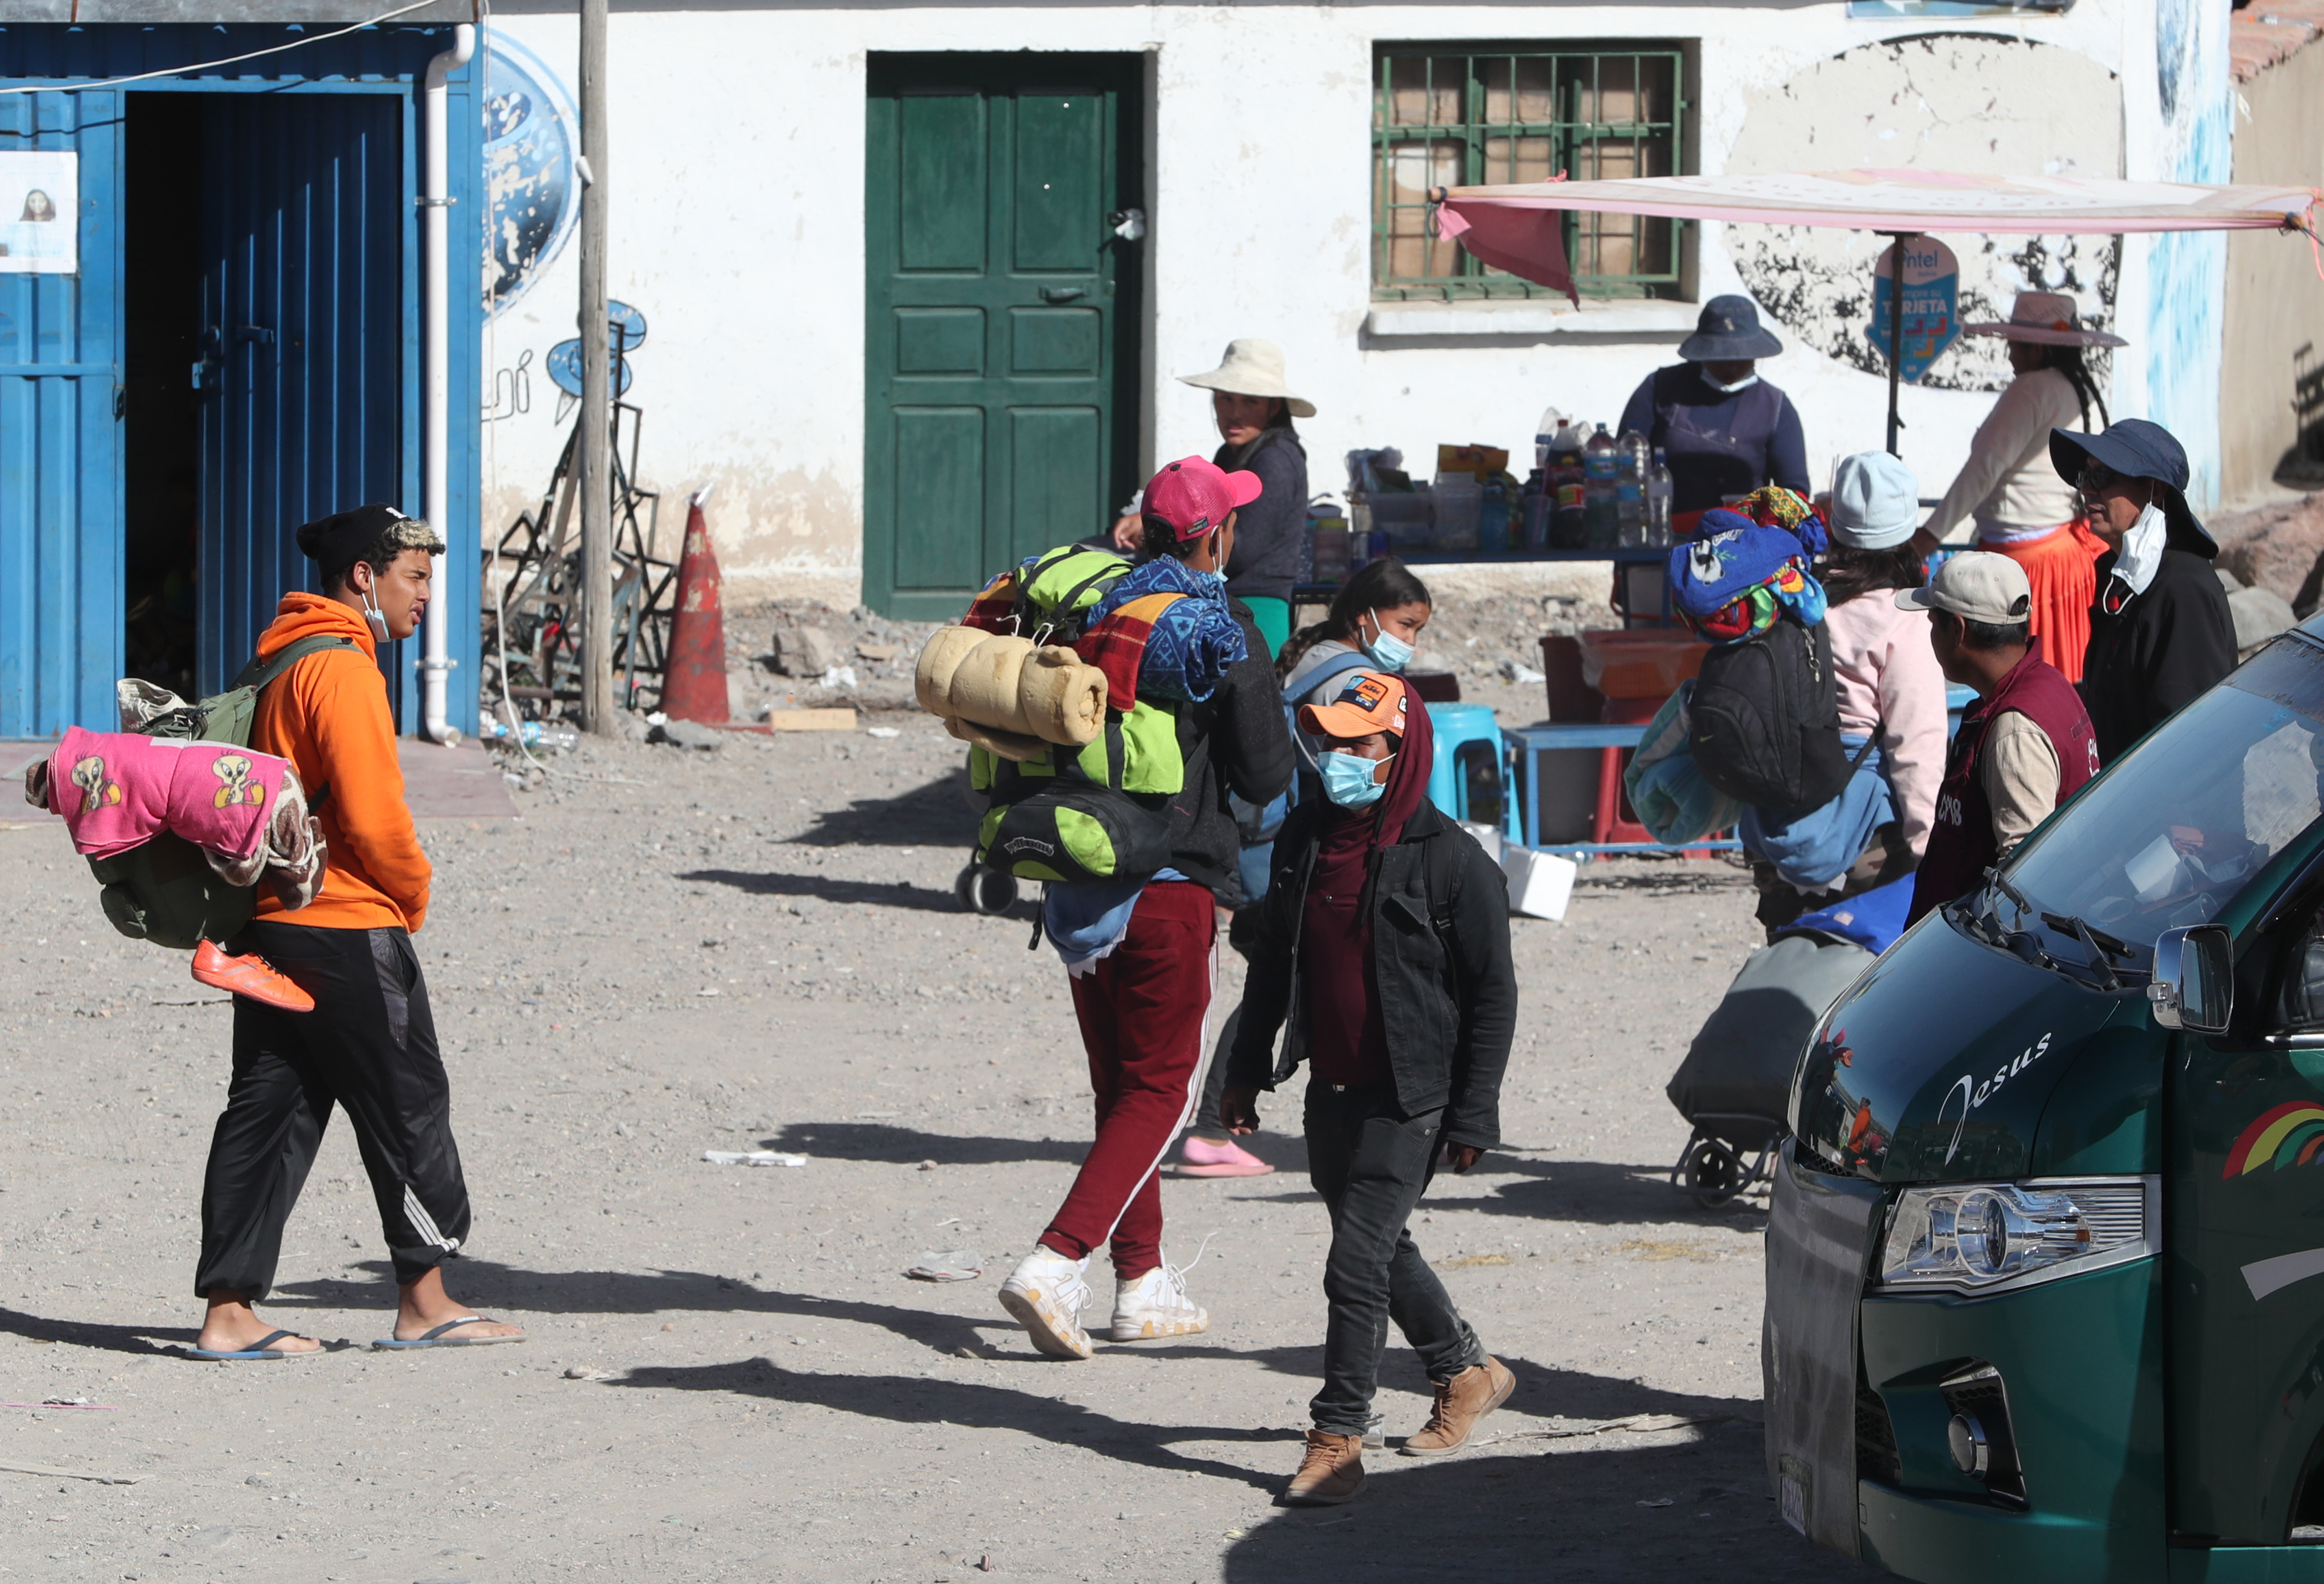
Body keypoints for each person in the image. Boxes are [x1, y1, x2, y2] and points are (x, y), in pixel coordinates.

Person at [191, 504, 522, 1360]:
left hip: (274, 923)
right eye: (413, 578)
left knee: (271, 1107)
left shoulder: (280, 661)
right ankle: (426, 1300)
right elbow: (374, 821)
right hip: (344, 922)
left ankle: (229, 1313)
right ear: (363, 577)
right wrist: (410, 896)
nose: (424, 599)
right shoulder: (341, 671)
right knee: (405, 1100)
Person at [998, 458, 1294, 1360]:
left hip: (1077, 877)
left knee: (1122, 1088)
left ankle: (1141, 1280)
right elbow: (1266, 774)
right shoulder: (1218, 627)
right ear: (1213, 538)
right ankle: (1055, 1260)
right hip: (1170, 886)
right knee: (1164, 1090)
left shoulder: (1092, 606)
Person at [1219, 670, 1517, 1505]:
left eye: (1362, 745)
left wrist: (1472, 1111)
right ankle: (1465, 1372)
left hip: (1413, 1095)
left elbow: (1493, 995)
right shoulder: (1302, 841)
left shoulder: (1452, 861)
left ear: (1400, 747)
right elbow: (1271, 965)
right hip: (1333, 1087)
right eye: (1330, 744)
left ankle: (1336, 1438)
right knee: (1377, 1247)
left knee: (1352, 1262)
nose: (1341, 760)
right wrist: (1245, 1068)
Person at [1177, 558, 1436, 1180]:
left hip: (1270, 855)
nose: (1411, 641)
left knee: (1290, 981)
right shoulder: (1345, 681)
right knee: (1285, 980)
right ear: (1363, 617)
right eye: (1405, 624)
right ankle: (1214, 1125)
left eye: (1419, 628)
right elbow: (1350, 781)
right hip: (1286, 863)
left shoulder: (1317, 659)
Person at [1742, 454, 1949, 936]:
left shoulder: (1794, 598)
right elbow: (1915, 746)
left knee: (1792, 960)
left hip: (1777, 821)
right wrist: (1929, 853)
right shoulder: (1903, 619)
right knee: (1864, 980)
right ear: (1904, 528)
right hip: (1864, 837)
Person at [1913, 292, 2124, 683]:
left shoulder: (2031, 390)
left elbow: (1985, 467)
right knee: (2063, 684)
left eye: (2014, 345)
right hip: (2062, 555)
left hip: (2026, 568)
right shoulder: (2072, 388)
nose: (2009, 355)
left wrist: (1929, 535)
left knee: (2015, 684)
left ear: (2037, 347)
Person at [1898, 552, 2098, 926]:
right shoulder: (2049, 683)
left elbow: (2025, 881)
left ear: (1957, 631)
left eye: (1932, 623)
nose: (1929, 635)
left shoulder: (2013, 731)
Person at [2049, 418, 2238, 764]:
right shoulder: (2113, 572)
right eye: (2084, 476)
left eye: (2103, 477)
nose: (2089, 489)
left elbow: (2194, 741)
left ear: (2157, 489)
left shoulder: (2183, 589)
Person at [1617, 294, 1808, 531]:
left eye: (1741, 358)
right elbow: (1624, 465)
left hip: (1741, 543)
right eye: (1721, 358)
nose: (1731, 367)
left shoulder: (1776, 407)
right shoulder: (1660, 389)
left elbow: (1794, 490)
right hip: (1663, 536)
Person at [1178, 338, 1313, 658]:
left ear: (1273, 406)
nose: (1234, 413)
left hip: (1256, 610)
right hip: (1225, 603)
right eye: (1226, 399)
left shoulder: (1275, 460)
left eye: (1250, 402)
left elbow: (1240, 548)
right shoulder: (1229, 454)